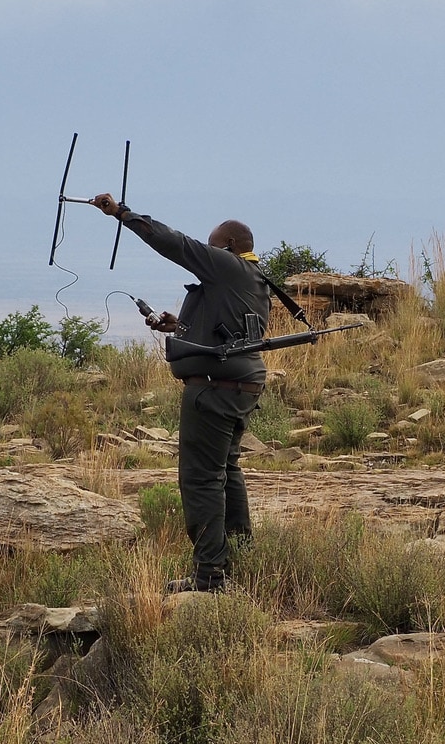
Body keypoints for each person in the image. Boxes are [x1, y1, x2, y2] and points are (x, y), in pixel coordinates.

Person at [92, 193, 269, 593]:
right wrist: (179, 327)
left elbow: (176, 243)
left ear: (228, 247)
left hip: (213, 391)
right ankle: (239, 562)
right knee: (226, 472)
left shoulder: (226, 263)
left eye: (212, 247)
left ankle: (210, 576)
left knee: (201, 480)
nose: (206, 252)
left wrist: (122, 213)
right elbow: (228, 330)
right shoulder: (250, 279)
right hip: (240, 385)